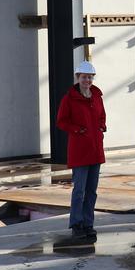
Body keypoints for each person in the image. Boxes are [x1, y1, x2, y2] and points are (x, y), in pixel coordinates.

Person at [56, 61, 106, 239]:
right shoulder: (69, 98)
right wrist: (78, 129)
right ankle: (76, 223)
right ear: (78, 78)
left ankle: (88, 223)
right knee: (79, 190)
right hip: (79, 151)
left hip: (95, 150)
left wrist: (101, 127)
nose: (87, 80)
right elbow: (61, 121)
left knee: (92, 190)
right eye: (84, 77)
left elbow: (101, 115)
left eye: (90, 77)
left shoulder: (97, 96)